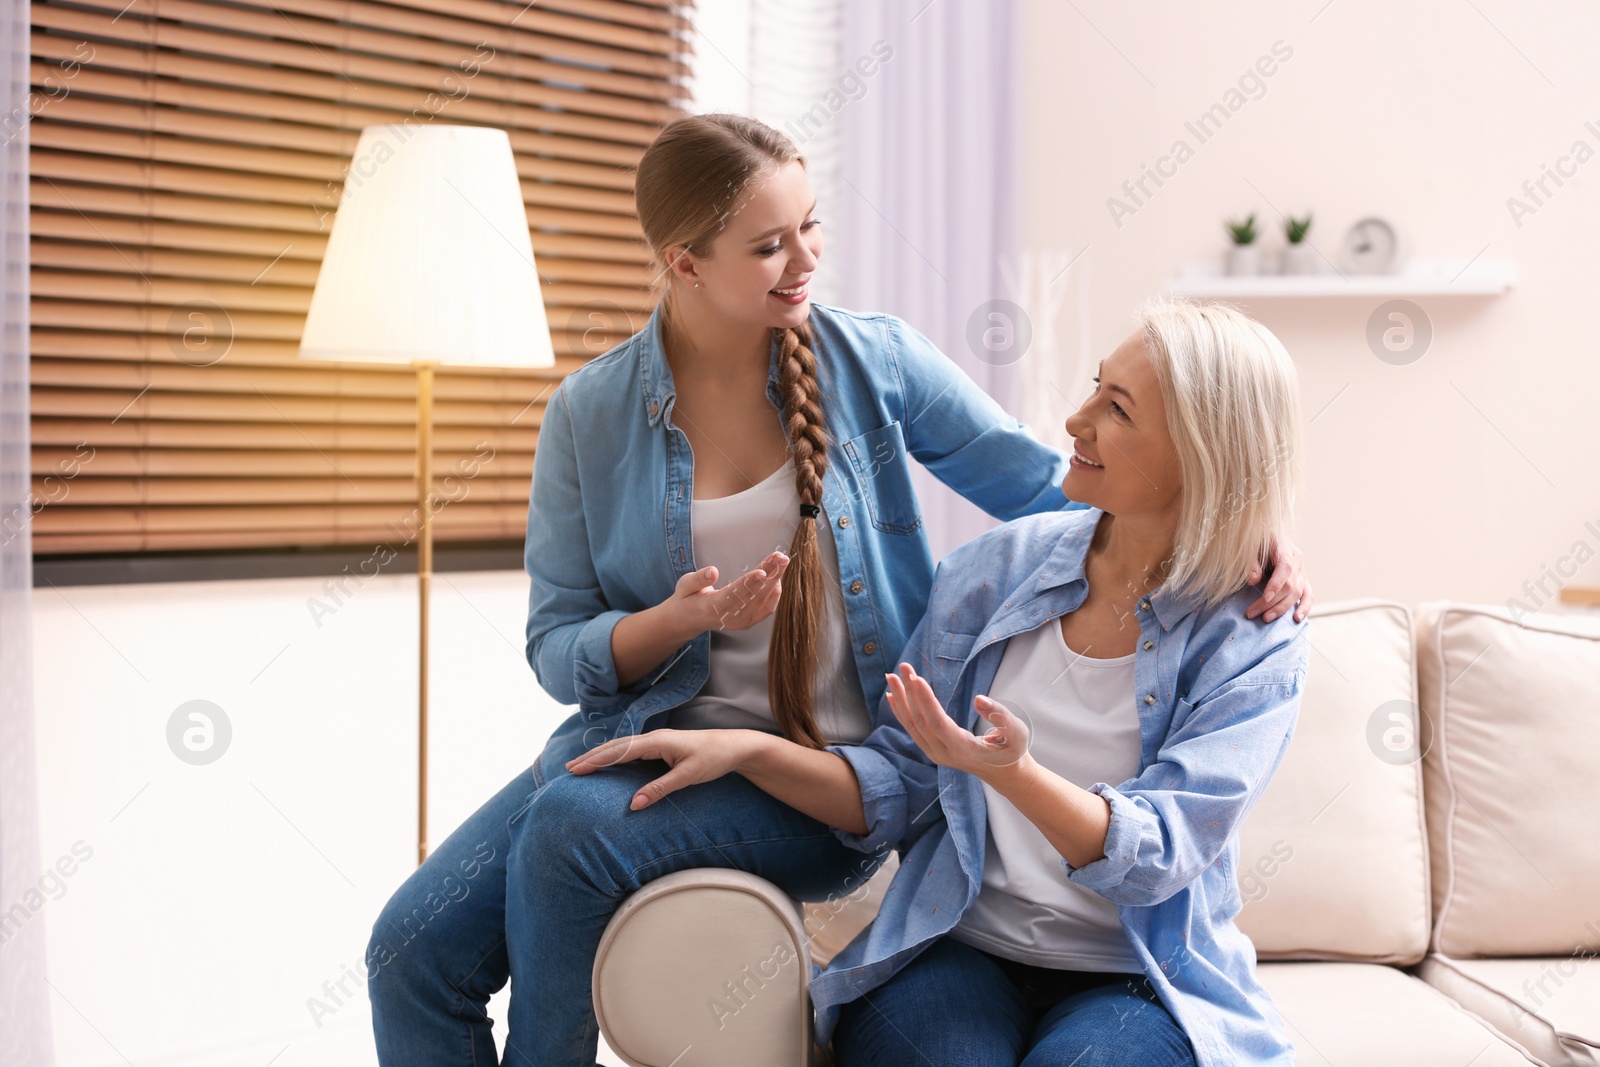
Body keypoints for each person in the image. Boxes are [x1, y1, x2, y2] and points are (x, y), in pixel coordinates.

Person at [366, 112, 1312, 1067]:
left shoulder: (875, 362)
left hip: (824, 777)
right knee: (406, 955)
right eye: (770, 245)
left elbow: (1053, 483)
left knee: (573, 829)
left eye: (811, 225)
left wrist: (1240, 520)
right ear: (684, 263)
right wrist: (671, 622)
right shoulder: (589, 415)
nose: (806, 258)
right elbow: (556, 648)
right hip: (641, 744)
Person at [566, 296, 1309, 1066]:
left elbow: (1162, 851)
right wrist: (748, 751)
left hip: (1135, 977)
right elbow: (899, 783)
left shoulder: (1251, 634)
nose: (1076, 421)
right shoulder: (997, 572)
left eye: (1116, 409)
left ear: (1201, 453)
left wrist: (1013, 774)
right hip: (960, 946)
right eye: (1094, 387)